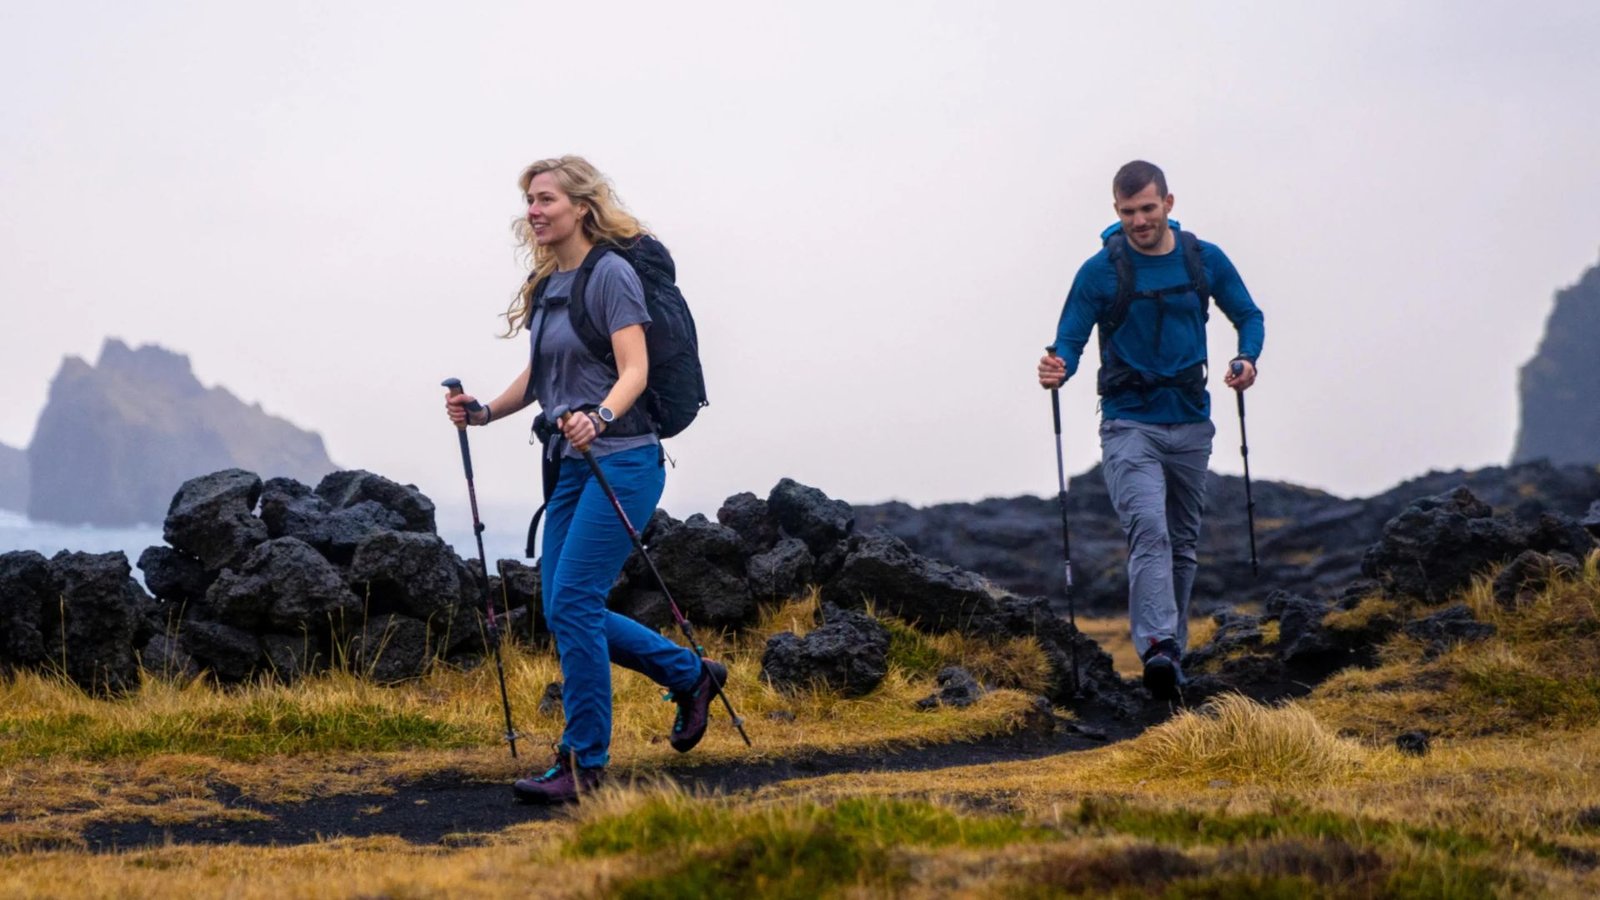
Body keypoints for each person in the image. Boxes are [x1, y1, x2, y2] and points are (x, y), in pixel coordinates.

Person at [445, 155, 725, 804]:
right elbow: (543, 377)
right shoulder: (550, 287)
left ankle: (584, 762)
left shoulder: (612, 275)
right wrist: (483, 411)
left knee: (571, 601)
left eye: (546, 199)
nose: (534, 212)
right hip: (572, 467)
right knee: (564, 605)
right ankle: (693, 676)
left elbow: (634, 369)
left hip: (624, 460)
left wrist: (599, 417)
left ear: (581, 206)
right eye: (530, 202)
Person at [1037, 160, 1265, 702]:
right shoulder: (1100, 271)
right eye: (1127, 212)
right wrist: (1057, 365)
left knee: (1183, 544)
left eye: (1147, 208)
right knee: (1150, 531)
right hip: (1127, 423)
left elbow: (1249, 315)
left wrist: (1247, 359)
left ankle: (1173, 654)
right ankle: (1158, 646)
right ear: (1116, 212)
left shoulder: (1204, 260)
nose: (1139, 221)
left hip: (1190, 420)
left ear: (1168, 203)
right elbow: (1068, 339)